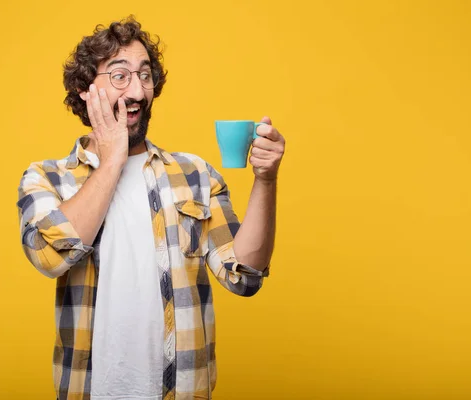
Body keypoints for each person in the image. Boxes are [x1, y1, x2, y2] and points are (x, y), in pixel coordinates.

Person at [17, 16, 285, 400]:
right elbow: (50, 256)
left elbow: (245, 275)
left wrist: (266, 180)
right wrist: (113, 158)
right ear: (84, 90)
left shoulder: (194, 175)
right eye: (120, 75)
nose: (138, 91)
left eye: (145, 76)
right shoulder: (47, 178)